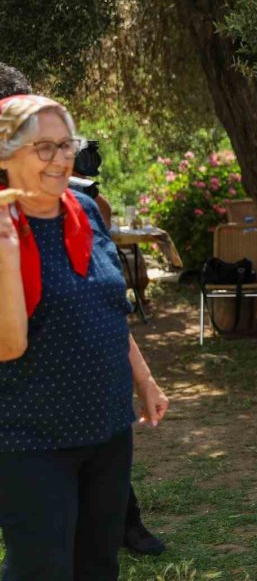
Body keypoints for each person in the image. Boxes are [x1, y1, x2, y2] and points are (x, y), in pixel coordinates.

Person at [0, 62, 166, 557]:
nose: (60, 159)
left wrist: (144, 380)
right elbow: (8, 345)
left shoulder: (85, 209)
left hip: (107, 425)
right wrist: (7, 254)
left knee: (98, 562)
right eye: (43, 147)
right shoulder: (4, 225)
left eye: (66, 144)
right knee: (41, 567)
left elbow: (107, 306)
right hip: (32, 436)